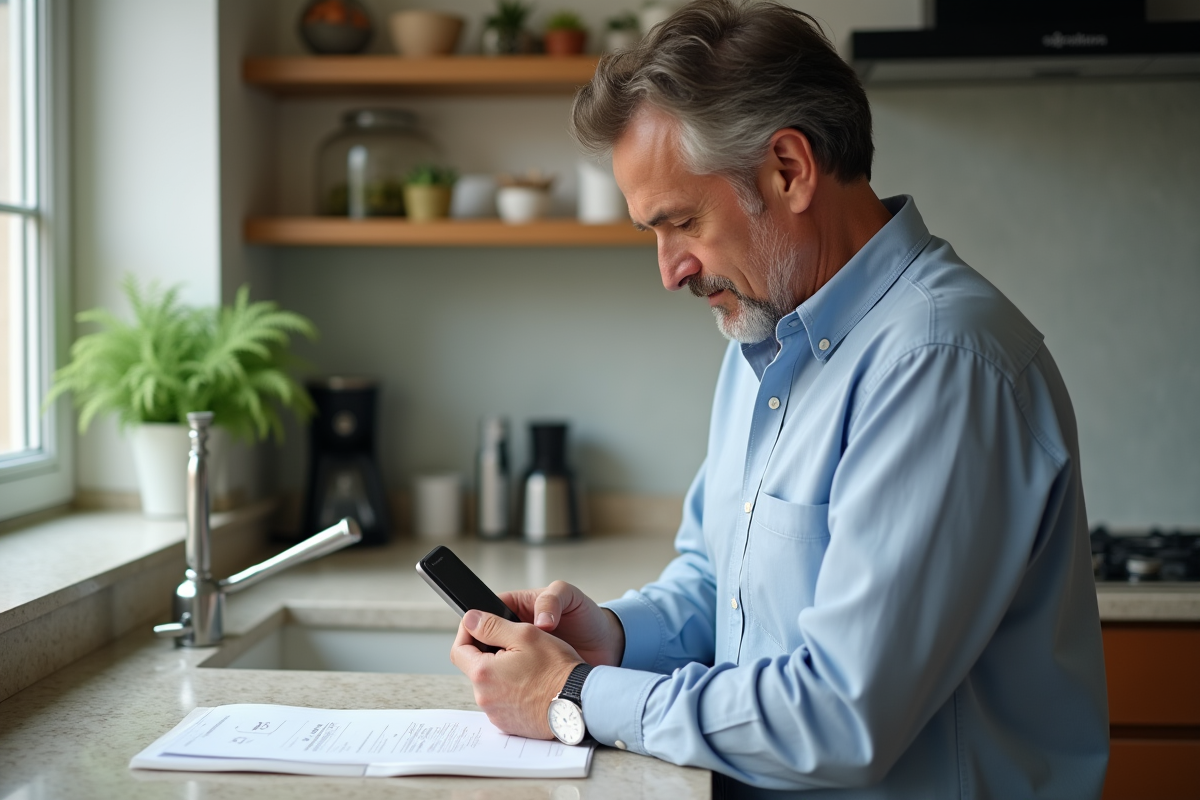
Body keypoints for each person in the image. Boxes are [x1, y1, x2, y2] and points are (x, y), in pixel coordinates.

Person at [449, 1, 1110, 796]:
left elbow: (839, 716)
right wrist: (614, 637)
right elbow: (716, 581)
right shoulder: (763, 337)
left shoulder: (938, 365)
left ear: (789, 169)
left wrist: (577, 695)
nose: (671, 270)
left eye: (681, 222)